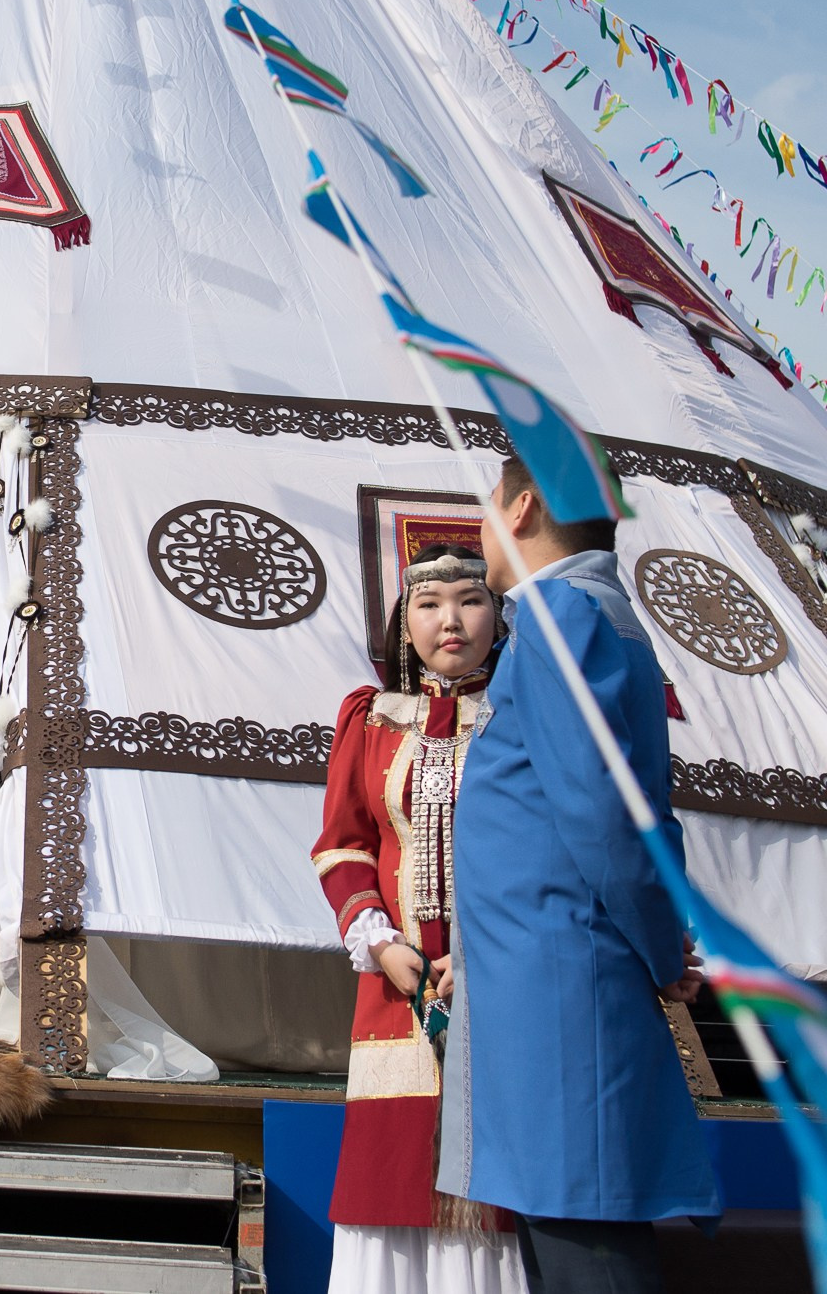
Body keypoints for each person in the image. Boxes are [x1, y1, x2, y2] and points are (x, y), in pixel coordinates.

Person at [438, 457, 718, 1294]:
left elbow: (605, 814)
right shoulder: (575, 617)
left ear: (520, 506)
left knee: (585, 1249)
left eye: (490, 502)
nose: (485, 522)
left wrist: (664, 949)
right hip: (546, 990)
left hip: (561, 997)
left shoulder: (565, 616)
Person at [312, 543, 524, 1294]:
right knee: (390, 1171)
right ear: (405, 622)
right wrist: (379, 939)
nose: (450, 620)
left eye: (470, 600)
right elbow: (343, 845)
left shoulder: (524, 717)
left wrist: (484, 957)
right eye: (429, 604)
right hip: (393, 985)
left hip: (502, 983)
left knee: (490, 1188)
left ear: (498, 616)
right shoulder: (369, 719)